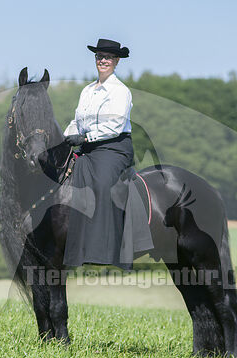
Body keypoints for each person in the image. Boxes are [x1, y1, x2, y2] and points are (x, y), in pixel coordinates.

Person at [62, 38, 135, 269]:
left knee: (103, 184)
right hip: (88, 148)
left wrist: (84, 138)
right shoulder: (87, 91)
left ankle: (103, 251)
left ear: (116, 61)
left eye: (108, 57)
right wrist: (64, 139)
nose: (102, 60)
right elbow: (77, 121)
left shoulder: (120, 91)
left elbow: (114, 125)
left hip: (113, 148)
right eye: (99, 56)